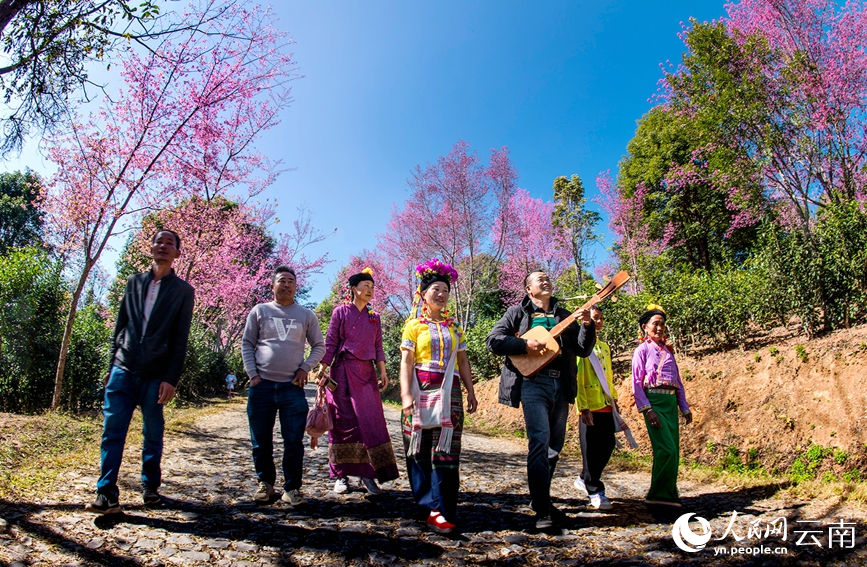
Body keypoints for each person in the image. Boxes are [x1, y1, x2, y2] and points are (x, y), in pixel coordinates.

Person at [86, 229, 195, 514]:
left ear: (177, 253)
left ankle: (150, 486)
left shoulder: (183, 291)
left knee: (152, 432)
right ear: (151, 248)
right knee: (112, 431)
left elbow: (180, 338)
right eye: (158, 241)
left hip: (156, 374)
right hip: (123, 367)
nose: (163, 246)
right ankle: (106, 492)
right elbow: (119, 328)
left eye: (169, 243)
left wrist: (171, 378)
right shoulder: (133, 283)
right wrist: (111, 367)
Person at [486, 270, 595, 530]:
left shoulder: (565, 314)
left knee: (555, 445)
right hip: (533, 384)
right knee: (540, 440)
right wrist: (524, 346)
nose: (545, 280)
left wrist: (588, 325)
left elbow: (582, 349)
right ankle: (543, 508)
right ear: (528, 289)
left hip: (562, 383)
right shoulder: (517, 313)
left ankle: (540, 498)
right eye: (539, 279)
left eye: (547, 277)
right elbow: (493, 341)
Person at [400, 259, 477, 534]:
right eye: (435, 289)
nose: (441, 294)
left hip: (450, 393)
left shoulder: (455, 327)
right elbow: (406, 363)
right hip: (420, 388)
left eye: (445, 290)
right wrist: (406, 394)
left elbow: (463, 362)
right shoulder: (414, 326)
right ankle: (427, 506)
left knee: (445, 451)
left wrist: (471, 391)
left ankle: (442, 511)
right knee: (418, 449)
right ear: (423, 294)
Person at [242, 265, 325, 506]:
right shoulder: (260, 311)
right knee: (260, 441)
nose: (286, 284)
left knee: (293, 441)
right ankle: (266, 484)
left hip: (292, 387)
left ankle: (292, 488)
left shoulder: (306, 315)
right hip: (262, 386)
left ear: (296, 286)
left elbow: (319, 346)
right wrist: (253, 374)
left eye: (291, 280)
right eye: (281, 280)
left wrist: (305, 368)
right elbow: (247, 343)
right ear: (272, 286)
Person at [318, 267, 399, 495]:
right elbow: (331, 341)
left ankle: (368, 475)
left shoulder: (375, 319)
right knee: (342, 420)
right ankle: (341, 475)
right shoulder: (340, 312)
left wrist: (382, 372)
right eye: (366, 286)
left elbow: (378, 347)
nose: (370, 290)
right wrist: (322, 368)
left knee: (369, 422)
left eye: (373, 287)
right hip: (341, 372)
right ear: (354, 289)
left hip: (367, 375)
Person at [632, 304, 692, 511]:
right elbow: (637, 383)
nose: (659, 328)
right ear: (644, 327)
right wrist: (648, 410)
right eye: (655, 324)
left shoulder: (668, 351)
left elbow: (678, 381)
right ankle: (657, 494)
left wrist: (684, 407)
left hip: (669, 404)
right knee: (665, 449)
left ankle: (668, 494)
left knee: (673, 451)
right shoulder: (642, 350)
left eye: (662, 325)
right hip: (654, 403)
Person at [573, 305, 618, 511]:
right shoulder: (581, 348)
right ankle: (595, 491)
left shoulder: (606, 348)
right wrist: (582, 407)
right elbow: (579, 377)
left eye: (600, 318)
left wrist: (614, 400)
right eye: (594, 318)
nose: (597, 322)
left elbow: (608, 377)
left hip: (607, 404)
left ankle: (584, 477)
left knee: (608, 445)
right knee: (590, 451)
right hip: (590, 405)